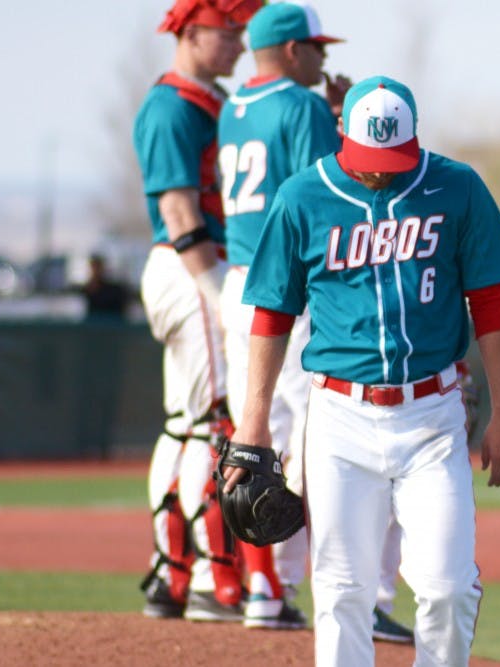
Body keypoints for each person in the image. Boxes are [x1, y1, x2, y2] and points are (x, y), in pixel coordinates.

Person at [223, 75, 500, 667]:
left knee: (446, 588)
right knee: (341, 592)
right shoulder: (302, 196)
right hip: (338, 418)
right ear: (341, 136)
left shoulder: (456, 187)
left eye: (392, 159)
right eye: (368, 158)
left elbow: (492, 300)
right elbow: (271, 313)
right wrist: (253, 420)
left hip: (433, 414)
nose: (379, 172)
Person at [217, 1, 412, 639]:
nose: (324, 57)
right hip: (288, 291)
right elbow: (339, 194)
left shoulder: (232, 107)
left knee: (257, 435)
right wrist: (338, 118)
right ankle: (344, 594)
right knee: (317, 440)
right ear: (294, 51)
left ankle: (265, 587)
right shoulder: (298, 106)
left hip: (237, 282)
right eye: (317, 48)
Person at [132, 0, 262, 623]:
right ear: (190, 30)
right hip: (191, 267)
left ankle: (174, 574)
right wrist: (218, 292)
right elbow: (181, 212)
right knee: (209, 423)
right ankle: (208, 576)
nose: (239, 41)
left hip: (194, 266)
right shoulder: (171, 106)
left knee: (189, 422)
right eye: (228, 30)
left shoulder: (205, 101)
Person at [77, 254, 132, 320]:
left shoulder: (114, 291)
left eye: (97, 267)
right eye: (93, 267)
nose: (95, 271)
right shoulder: (85, 290)